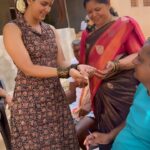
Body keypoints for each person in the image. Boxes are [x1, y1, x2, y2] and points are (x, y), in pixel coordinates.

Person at [3, 0, 95, 149]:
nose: (47, 9)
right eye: (44, 3)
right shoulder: (13, 29)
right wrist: (66, 72)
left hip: (56, 101)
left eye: (50, 5)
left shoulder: (50, 29)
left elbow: (62, 62)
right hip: (30, 106)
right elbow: (28, 68)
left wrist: (78, 67)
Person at [80, 0, 145, 149]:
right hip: (101, 99)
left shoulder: (124, 26)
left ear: (108, 4)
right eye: (90, 12)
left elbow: (139, 56)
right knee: (105, 137)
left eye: (98, 9)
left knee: (129, 133)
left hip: (124, 95)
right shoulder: (88, 35)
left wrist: (117, 65)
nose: (94, 15)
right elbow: (84, 65)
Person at [111, 40, 150, 150]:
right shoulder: (142, 88)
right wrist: (108, 137)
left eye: (140, 59)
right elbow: (131, 120)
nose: (133, 61)